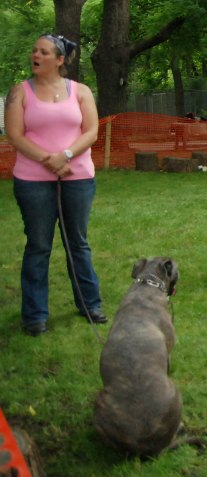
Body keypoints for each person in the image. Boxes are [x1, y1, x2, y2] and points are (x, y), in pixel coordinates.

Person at [6, 34, 107, 336]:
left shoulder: (81, 91)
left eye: (44, 52)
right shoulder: (19, 92)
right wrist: (48, 160)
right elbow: (14, 134)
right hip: (32, 181)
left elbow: (91, 131)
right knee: (38, 246)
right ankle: (35, 315)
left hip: (77, 178)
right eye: (34, 50)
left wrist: (65, 156)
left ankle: (90, 304)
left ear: (60, 60)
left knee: (78, 243)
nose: (35, 55)